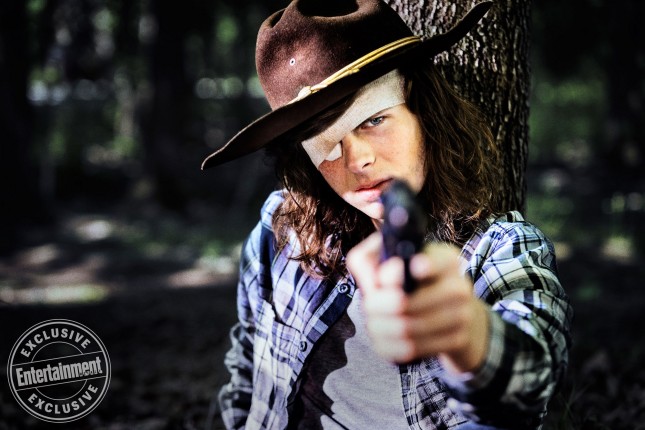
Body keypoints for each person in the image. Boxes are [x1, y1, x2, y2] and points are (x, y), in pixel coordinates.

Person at [201, 0, 573, 429]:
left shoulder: (500, 250)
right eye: (325, 142)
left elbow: (534, 376)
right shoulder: (279, 229)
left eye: (374, 119)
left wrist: (469, 334)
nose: (357, 160)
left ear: (423, 111)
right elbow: (247, 368)